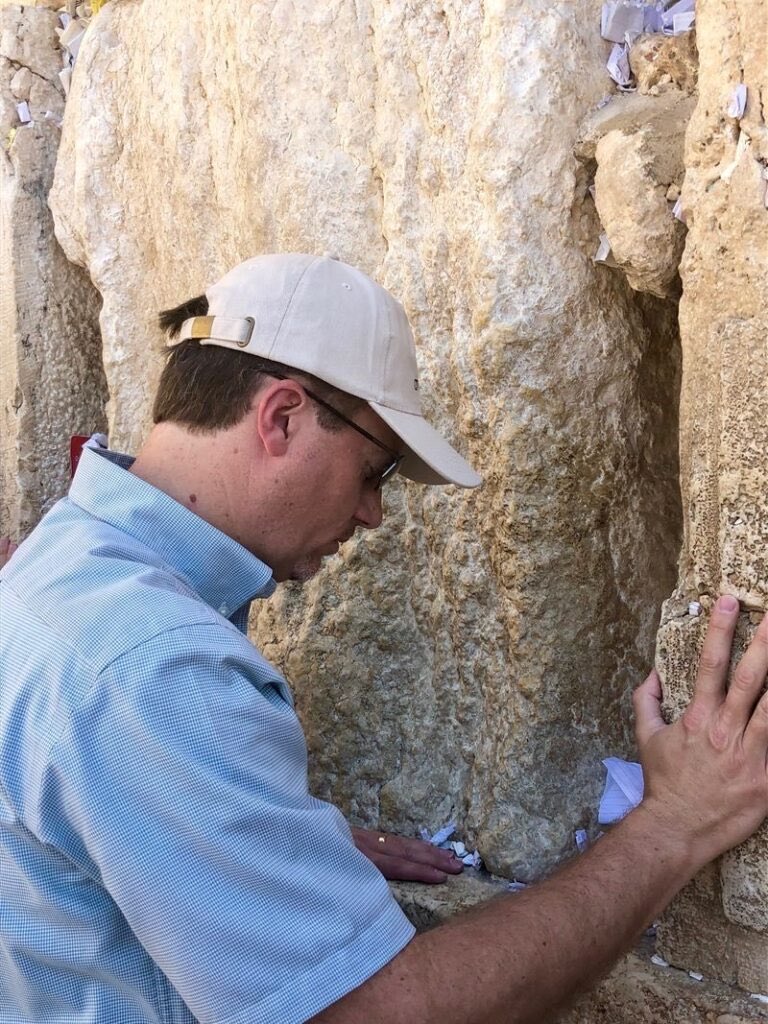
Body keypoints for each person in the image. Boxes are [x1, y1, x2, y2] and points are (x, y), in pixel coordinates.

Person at [0, 253, 766, 1024]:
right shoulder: (156, 671)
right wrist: (675, 825)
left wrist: (245, 857)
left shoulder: (56, 571)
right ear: (282, 417)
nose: (372, 514)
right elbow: (374, 1015)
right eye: (375, 471)